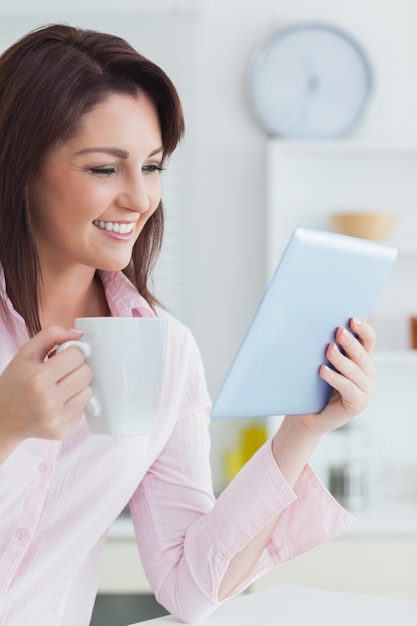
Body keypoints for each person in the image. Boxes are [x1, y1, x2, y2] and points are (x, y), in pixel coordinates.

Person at [0, 23, 376, 626]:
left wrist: (301, 430)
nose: (139, 198)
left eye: (151, 167)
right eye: (104, 169)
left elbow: (191, 584)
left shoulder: (165, 349)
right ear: (19, 165)